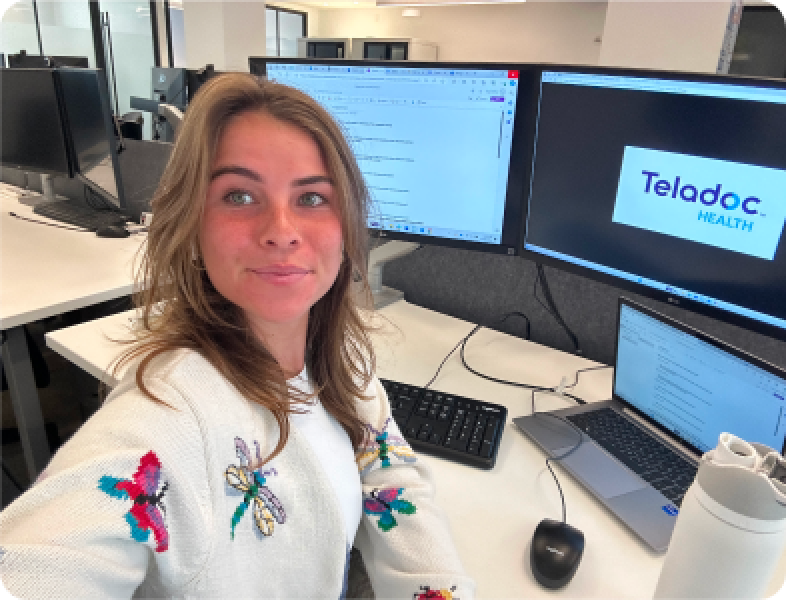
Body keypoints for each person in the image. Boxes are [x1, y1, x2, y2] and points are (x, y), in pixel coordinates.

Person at [0, 73, 474, 599]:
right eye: (239, 194)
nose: (281, 228)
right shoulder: (170, 416)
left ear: (347, 225)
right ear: (192, 224)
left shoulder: (336, 356)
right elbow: (41, 563)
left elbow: (389, 471)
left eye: (312, 198)